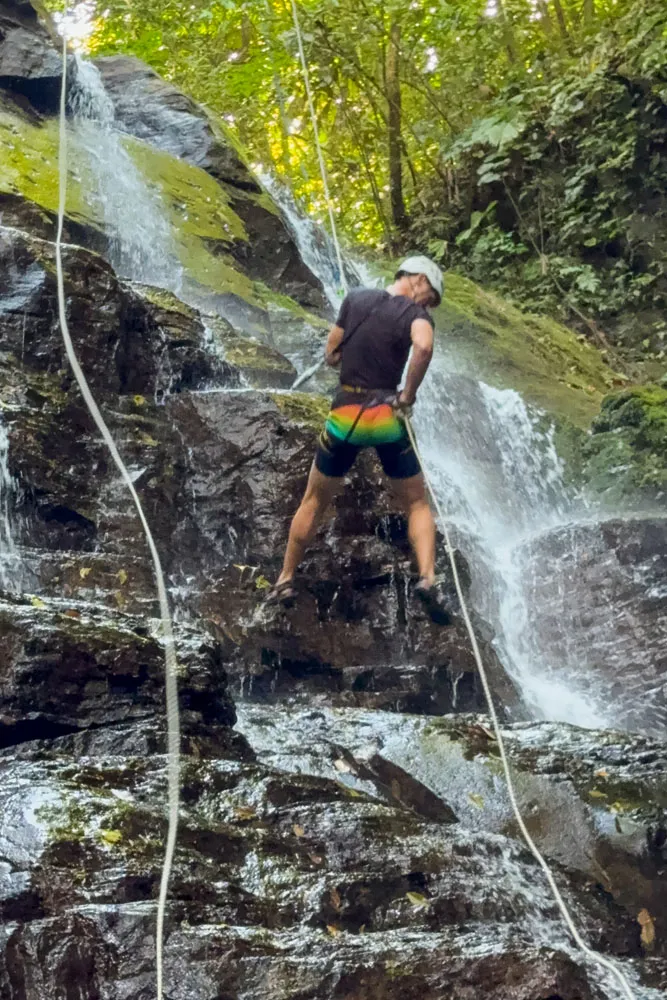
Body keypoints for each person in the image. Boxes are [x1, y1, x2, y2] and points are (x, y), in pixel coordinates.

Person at [268, 255, 449, 624]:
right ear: (417, 279)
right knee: (416, 502)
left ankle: (285, 579)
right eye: (430, 295)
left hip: (346, 414)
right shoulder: (416, 317)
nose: (428, 304)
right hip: (385, 415)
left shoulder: (355, 299)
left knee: (314, 500)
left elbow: (332, 355)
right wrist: (408, 396)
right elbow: (424, 347)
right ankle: (428, 578)